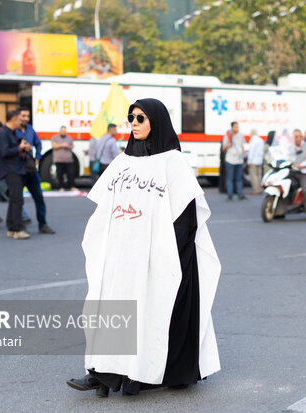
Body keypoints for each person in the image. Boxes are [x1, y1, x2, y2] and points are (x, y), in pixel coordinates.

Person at [67, 98, 221, 397]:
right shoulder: (122, 162)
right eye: (131, 118)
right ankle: (101, 373)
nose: (134, 123)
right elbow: (106, 208)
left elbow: (185, 217)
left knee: (151, 315)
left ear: (157, 121)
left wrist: (163, 254)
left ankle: (132, 375)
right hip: (122, 255)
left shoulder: (173, 163)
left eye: (141, 118)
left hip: (159, 257)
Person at [15, 106, 55, 234]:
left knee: (39, 197)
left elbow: (38, 144)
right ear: (18, 117)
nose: (26, 118)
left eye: (28, 116)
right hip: (18, 169)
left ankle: (42, 224)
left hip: (31, 169)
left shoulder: (30, 129)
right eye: (23, 116)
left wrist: (38, 157)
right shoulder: (13, 130)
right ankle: (19, 225)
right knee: (17, 199)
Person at [0, 110, 32, 239]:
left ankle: (11, 227)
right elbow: (4, 152)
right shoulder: (2, 133)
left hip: (16, 169)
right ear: (12, 119)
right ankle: (18, 229)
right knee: (17, 199)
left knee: (14, 199)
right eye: (19, 119)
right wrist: (19, 148)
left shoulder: (11, 133)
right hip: (11, 170)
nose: (21, 122)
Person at [290, 129, 306, 222]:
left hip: (303, 172)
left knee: (305, 190)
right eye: (296, 137)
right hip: (292, 171)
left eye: (299, 136)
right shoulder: (290, 147)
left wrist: (300, 165)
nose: (298, 139)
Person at [222, 121, 246, 200]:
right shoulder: (228, 136)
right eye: (235, 127)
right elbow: (223, 148)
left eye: (237, 127)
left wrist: (244, 153)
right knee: (230, 178)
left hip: (239, 160)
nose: (237, 128)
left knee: (239, 178)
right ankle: (230, 195)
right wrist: (227, 145)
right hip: (230, 160)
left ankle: (240, 194)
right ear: (232, 127)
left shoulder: (240, 135)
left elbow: (242, 146)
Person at [51, 125, 76, 191]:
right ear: (60, 131)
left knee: (70, 174)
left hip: (68, 160)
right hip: (59, 160)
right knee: (59, 174)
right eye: (62, 130)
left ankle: (72, 186)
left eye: (64, 131)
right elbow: (53, 146)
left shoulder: (69, 138)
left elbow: (72, 146)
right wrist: (62, 145)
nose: (63, 132)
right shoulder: (55, 137)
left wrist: (68, 146)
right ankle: (61, 187)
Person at [247, 129, 264, 194]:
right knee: (259, 175)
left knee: (253, 176)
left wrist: (249, 161)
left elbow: (251, 151)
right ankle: (260, 188)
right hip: (259, 160)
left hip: (253, 161)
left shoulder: (253, 140)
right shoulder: (260, 139)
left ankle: (256, 190)